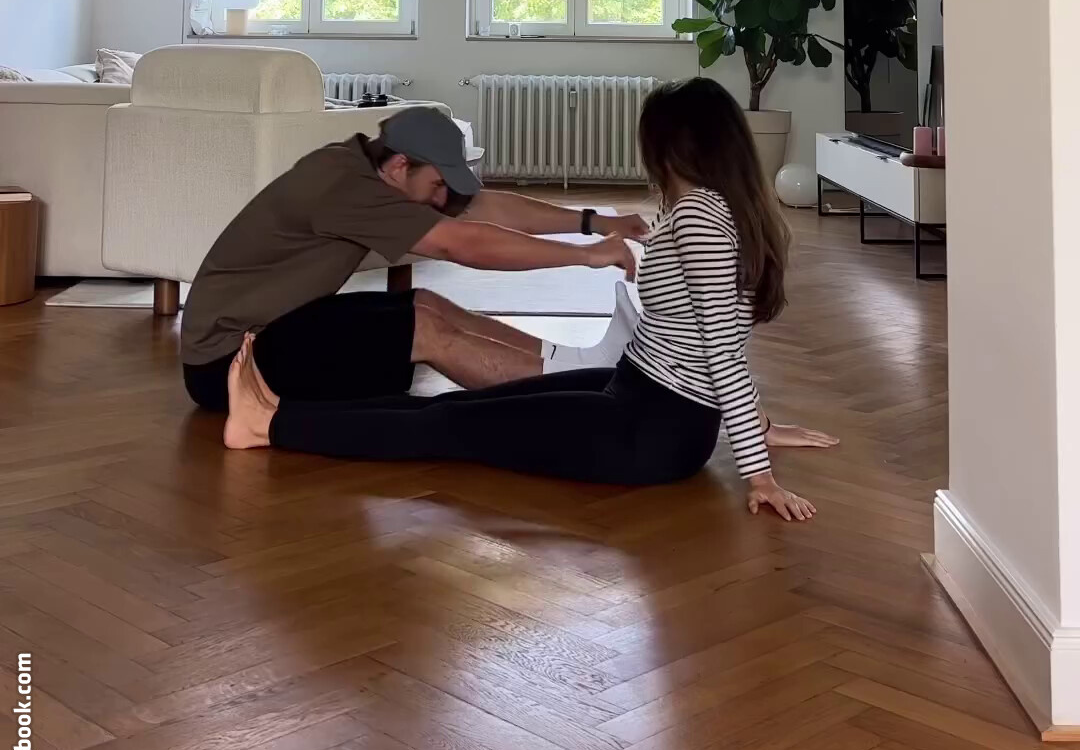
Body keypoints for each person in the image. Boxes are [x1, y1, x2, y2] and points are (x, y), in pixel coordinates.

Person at [221, 79, 838, 520]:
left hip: (651, 432)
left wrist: (758, 471)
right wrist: (760, 425)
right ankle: (278, 409)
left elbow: (722, 351)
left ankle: (268, 425)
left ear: (675, 148)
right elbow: (708, 338)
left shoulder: (701, 218)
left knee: (448, 426)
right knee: (452, 408)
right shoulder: (707, 210)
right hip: (633, 393)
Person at [182, 104, 644, 414]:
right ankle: (577, 398)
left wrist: (595, 222)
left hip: (276, 327)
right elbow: (461, 244)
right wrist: (584, 257)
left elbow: (485, 207)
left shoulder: (369, 168)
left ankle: (575, 363)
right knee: (423, 330)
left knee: (425, 304)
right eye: (438, 184)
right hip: (229, 365)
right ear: (401, 164)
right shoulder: (346, 188)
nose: (442, 198)